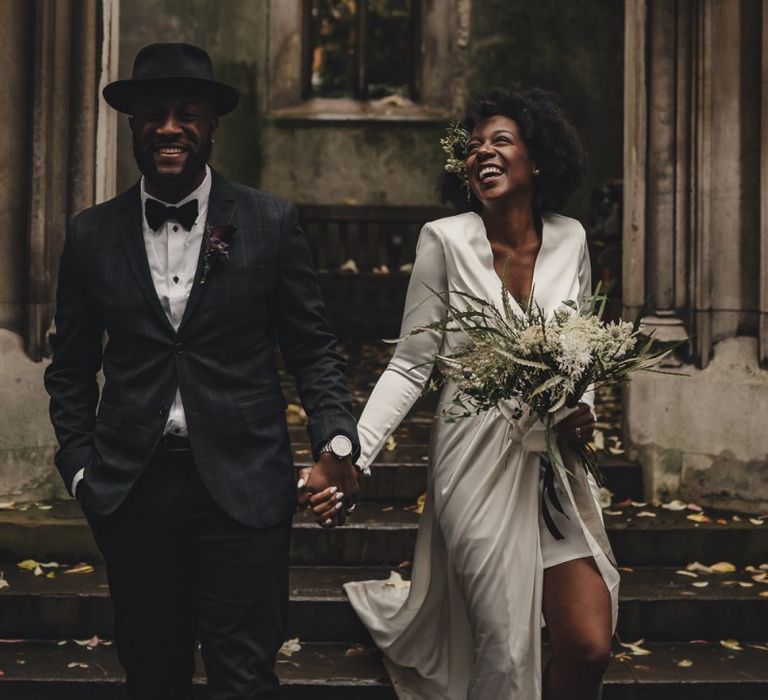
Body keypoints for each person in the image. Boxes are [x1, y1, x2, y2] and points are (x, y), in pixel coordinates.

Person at [44, 43, 359, 699]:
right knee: (152, 674)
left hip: (246, 487)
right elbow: (70, 369)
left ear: (212, 123)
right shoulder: (91, 234)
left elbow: (313, 349)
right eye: (152, 113)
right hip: (133, 489)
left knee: (243, 677)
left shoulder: (270, 223)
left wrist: (335, 440)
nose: (168, 127)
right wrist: (79, 468)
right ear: (131, 125)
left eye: (185, 112)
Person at [311, 88, 619, 699]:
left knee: (587, 645)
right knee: (503, 648)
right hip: (473, 462)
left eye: (501, 141)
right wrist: (354, 454)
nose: (484, 152)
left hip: (553, 465)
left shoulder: (572, 239)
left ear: (538, 158)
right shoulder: (444, 240)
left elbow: (581, 347)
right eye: (474, 145)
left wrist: (581, 406)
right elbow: (409, 364)